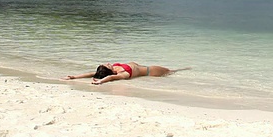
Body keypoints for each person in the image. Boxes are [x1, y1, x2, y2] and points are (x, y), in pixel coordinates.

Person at [61, 62, 190, 84]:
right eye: (107, 65)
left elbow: (91, 73)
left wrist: (73, 77)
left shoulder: (114, 69)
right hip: (152, 71)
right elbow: (111, 78)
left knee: (173, 71)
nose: (108, 62)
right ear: (109, 70)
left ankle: (185, 69)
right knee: (172, 71)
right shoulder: (122, 74)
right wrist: (100, 81)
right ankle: (187, 69)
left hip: (149, 68)